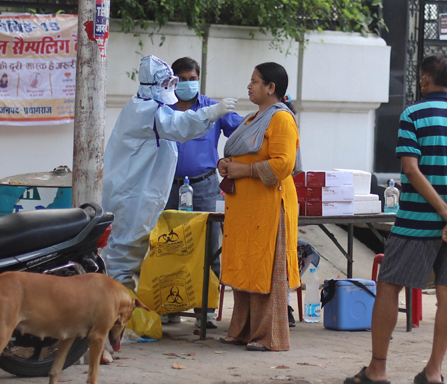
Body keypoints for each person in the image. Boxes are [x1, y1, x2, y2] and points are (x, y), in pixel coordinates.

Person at [344, 54, 447, 384]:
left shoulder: (413, 114)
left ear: (425, 80)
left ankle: (378, 369)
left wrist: (442, 211)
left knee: (390, 286)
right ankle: (434, 370)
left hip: (415, 223)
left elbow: (410, 168)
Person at [102, 55, 237, 292]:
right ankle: (119, 319)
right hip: (135, 198)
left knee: (198, 250)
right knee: (127, 259)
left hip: (155, 194)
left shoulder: (148, 106)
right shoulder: (147, 110)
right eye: (171, 83)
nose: (175, 88)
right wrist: (212, 112)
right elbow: (180, 125)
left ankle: (127, 315)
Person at [217, 62, 301, 352]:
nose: (249, 86)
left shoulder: (281, 120)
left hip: (269, 206)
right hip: (245, 207)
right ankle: (242, 331)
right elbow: (234, 152)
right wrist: (225, 165)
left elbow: (283, 164)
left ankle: (269, 336)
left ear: (270, 88)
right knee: (247, 265)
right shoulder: (253, 119)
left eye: (254, 81)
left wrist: (245, 172)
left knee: (267, 268)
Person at [162, 57, 243, 328]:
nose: (187, 83)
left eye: (191, 78)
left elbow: (243, 131)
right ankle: (169, 308)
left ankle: (205, 311)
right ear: (173, 81)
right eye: (181, 79)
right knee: (169, 246)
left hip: (205, 185)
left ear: (199, 78)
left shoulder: (213, 108)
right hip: (169, 186)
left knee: (209, 248)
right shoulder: (164, 108)